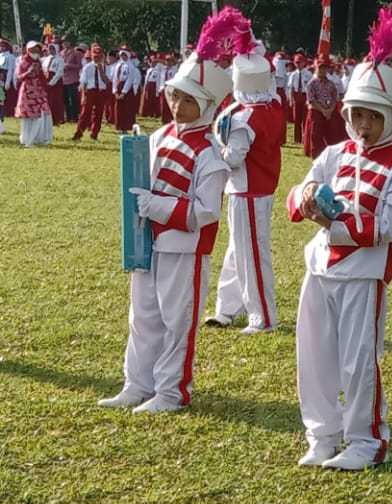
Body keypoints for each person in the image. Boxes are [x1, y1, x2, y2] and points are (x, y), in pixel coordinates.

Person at [287, 7, 392, 471]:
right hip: (320, 267)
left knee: (359, 360)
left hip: (363, 276)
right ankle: (321, 433)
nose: (363, 125)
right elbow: (300, 188)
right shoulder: (333, 152)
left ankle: (365, 440)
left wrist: (334, 222)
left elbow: (389, 227)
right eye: (357, 114)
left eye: (373, 116)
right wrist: (307, 197)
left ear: (390, 117)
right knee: (314, 354)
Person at [96, 8, 238, 413]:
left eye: (188, 99)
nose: (177, 104)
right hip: (148, 241)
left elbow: (207, 211)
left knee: (178, 321)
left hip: (183, 248)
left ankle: (172, 392)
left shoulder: (211, 154)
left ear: (207, 104)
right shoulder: (159, 134)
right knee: (142, 316)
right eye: (175, 95)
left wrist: (156, 205)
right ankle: (136, 383)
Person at [206, 39, 285, 335]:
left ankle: (263, 316)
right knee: (238, 250)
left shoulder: (243, 117)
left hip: (247, 188)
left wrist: (215, 153)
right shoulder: (273, 106)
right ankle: (226, 308)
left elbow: (234, 158)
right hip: (255, 188)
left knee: (250, 253)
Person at [16, 41, 53, 147]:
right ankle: (27, 140)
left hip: (39, 91)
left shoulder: (39, 62)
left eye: (37, 50)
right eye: (33, 50)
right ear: (28, 50)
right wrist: (28, 71)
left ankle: (38, 138)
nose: (36, 52)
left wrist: (45, 87)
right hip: (27, 91)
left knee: (42, 115)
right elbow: (19, 77)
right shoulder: (22, 62)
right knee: (28, 117)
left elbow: (42, 77)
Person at [303, 56, 341, 158]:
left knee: (331, 134)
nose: (323, 70)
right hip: (316, 112)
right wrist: (323, 110)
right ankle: (316, 156)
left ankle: (329, 156)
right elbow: (311, 100)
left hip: (329, 112)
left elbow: (335, 98)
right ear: (316, 68)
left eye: (325, 68)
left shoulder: (331, 83)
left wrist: (330, 110)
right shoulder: (311, 83)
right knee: (316, 135)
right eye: (320, 68)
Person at [72, 44, 110, 141]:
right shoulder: (87, 67)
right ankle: (79, 133)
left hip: (101, 91)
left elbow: (107, 81)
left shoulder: (106, 67)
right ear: (92, 56)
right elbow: (83, 82)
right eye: (95, 56)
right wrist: (84, 96)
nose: (97, 58)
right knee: (85, 113)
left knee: (99, 113)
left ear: (102, 56)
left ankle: (94, 134)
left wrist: (101, 70)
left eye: (99, 56)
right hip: (90, 91)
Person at [111, 49, 141, 133]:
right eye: (121, 55)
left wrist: (124, 92)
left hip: (127, 88)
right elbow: (115, 78)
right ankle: (119, 126)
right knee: (118, 108)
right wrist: (115, 91)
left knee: (127, 109)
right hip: (118, 86)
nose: (123, 57)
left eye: (125, 55)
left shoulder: (130, 66)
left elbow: (130, 79)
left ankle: (126, 127)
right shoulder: (118, 65)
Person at [287, 53, 312, 144]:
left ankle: (305, 138)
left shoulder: (308, 74)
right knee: (296, 119)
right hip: (296, 96)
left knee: (305, 119)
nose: (298, 64)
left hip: (305, 96)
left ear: (304, 63)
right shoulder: (293, 74)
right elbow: (291, 88)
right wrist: (290, 99)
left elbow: (310, 88)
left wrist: (309, 100)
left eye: (300, 62)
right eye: (296, 62)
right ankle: (297, 139)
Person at [42, 42, 65, 125]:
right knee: (47, 101)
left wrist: (52, 82)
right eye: (49, 48)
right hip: (46, 80)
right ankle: (47, 119)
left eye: (52, 49)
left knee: (56, 101)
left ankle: (56, 119)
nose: (50, 50)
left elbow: (59, 72)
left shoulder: (60, 59)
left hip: (55, 82)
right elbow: (43, 70)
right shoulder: (45, 59)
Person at [61, 42, 84, 122]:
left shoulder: (76, 53)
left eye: (66, 42)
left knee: (73, 99)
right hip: (63, 79)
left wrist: (68, 65)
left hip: (73, 79)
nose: (65, 44)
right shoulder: (62, 53)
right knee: (65, 99)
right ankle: (68, 117)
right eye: (63, 42)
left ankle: (75, 117)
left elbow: (80, 66)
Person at [140, 54, 163, 118]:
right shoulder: (149, 70)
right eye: (151, 62)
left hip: (154, 86)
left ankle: (154, 113)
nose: (152, 63)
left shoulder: (158, 71)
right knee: (147, 99)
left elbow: (158, 80)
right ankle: (147, 112)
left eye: (154, 62)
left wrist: (157, 89)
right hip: (148, 85)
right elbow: (146, 79)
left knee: (154, 100)